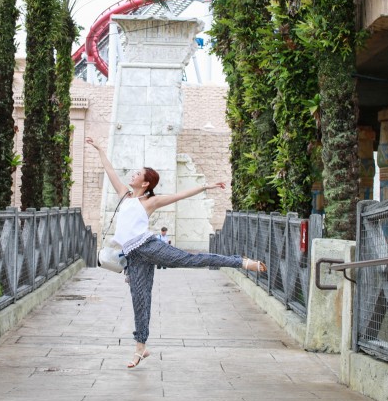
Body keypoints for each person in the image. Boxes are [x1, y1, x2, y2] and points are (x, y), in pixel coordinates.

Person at [86, 137, 267, 368]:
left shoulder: (150, 202)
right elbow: (109, 170)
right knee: (140, 300)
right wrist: (101, 149)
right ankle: (141, 349)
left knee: (191, 259)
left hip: (148, 246)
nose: (132, 175)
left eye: (138, 173)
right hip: (132, 256)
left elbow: (179, 196)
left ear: (146, 183)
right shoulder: (124, 194)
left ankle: (240, 262)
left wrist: (205, 187)